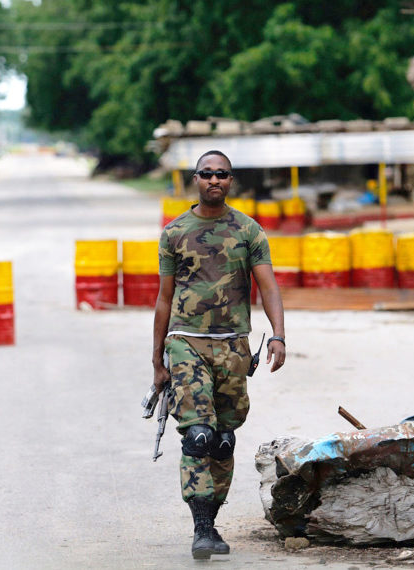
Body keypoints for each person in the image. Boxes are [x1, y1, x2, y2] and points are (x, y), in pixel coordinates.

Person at [152, 149, 286, 559]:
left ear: (230, 180)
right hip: (186, 341)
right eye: (207, 173)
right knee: (199, 434)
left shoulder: (248, 231)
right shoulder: (175, 233)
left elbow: (268, 287)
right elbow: (164, 298)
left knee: (223, 440)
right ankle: (201, 529)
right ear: (195, 179)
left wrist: (278, 335)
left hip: (233, 345)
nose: (214, 180)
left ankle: (211, 519)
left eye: (222, 174)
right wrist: (157, 360)